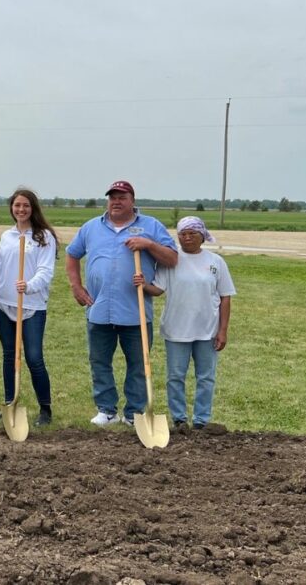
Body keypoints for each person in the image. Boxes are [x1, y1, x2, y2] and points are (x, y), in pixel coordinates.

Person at [65, 180, 178, 426]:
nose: (116, 202)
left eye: (122, 197)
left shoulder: (150, 226)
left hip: (135, 311)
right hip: (99, 308)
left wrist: (148, 244)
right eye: (112, 197)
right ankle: (106, 410)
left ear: (132, 201)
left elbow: (172, 258)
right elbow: (72, 254)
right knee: (99, 361)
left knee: (138, 364)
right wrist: (76, 286)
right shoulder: (91, 227)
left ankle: (133, 413)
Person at [136, 216, 235, 430]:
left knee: (206, 377)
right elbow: (158, 289)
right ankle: (179, 419)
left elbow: (225, 296)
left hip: (207, 330)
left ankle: (201, 421)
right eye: (183, 234)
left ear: (202, 236)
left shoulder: (215, 262)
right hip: (176, 329)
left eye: (192, 234)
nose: (187, 238)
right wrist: (143, 285)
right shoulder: (171, 260)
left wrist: (223, 330)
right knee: (175, 377)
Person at [0, 188, 58, 426]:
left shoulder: (44, 236)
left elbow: (46, 271)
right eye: (17, 205)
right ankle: (10, 402)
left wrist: (29, 285)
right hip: (5, 304)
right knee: (9, 356)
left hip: (32, 306)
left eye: (25, 205)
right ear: (12, 208)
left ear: (33, 208)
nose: (21, 209)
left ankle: (45, 409)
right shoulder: (7, 236)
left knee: (34, 358)